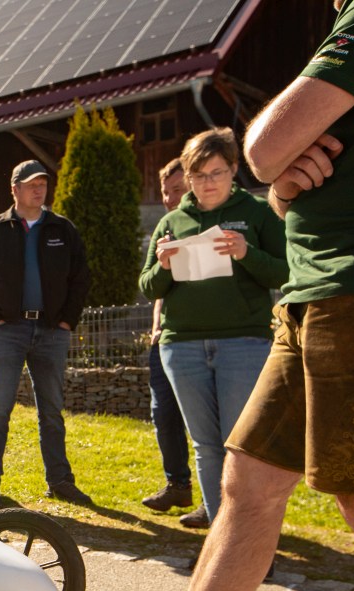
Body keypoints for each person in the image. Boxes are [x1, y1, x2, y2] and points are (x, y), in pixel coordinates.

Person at [77, 0, 354, 591]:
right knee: (247, 484)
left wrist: (269, 162)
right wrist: (285, 182)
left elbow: (263, 148)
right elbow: (285, 186)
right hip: (314, 294)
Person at [138, 128, 288, 526]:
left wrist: (246, 252)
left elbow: (288, 270)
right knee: (206, 446)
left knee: (242, 447)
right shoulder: (172, 221)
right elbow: (148, 284)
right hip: (181, 347)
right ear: (187, 177)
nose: (208, 183)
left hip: (243, 343)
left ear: (234, 169)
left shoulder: (256, 213)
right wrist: (164, 264)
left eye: (217, 173)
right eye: (198, 175)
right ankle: (222, 543)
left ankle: (253, 542)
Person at [0, 161, 91, 509]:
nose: (38, 189)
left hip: (52, 332)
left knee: (51, 410)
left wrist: (67, 320)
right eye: (30, 184)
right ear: (15, 189)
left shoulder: (62, 229)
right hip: (8, 331)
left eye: (42, 183)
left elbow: (80, 278)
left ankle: (60, 481)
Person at [142, 159, 209, 529]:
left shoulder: (204, 230)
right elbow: (158, 289)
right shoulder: (166, 230)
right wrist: (155, 327)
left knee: (204, 427)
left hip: (197, 339)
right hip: (163, 339)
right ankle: (177, 486)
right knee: (163, 414)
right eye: (165, 190)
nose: (169, 198)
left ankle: (214, 501)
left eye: (176, 190)